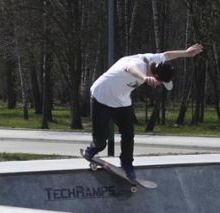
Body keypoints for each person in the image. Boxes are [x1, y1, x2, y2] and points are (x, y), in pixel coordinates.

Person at [83, 43, 204, 180]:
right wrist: (144, 77)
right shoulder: (137, 64)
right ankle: (94, 148)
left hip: (122, 102)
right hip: (101, 98)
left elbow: (166, 55)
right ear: (156, 76)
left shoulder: (155, 61)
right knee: (101, 141)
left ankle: (127, 164)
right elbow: (130, 68)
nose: (159, 85)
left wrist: (186, 53)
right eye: (160, 82)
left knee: (128, 135)